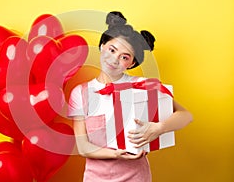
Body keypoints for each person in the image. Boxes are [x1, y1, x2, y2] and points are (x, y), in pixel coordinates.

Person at [68, 11, 193, 182]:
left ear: (132, 63)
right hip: (95, 178)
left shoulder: (142, 85)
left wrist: (158, 128)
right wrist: (116, 154)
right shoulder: (80, 93)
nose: (114, 59)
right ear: (102, 46)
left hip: (136, 176)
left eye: (124, 57)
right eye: (112, 50)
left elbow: (186, 116)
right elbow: (83, 148)